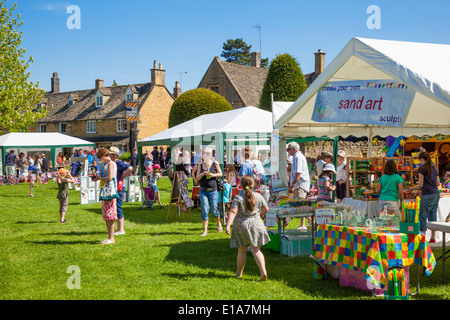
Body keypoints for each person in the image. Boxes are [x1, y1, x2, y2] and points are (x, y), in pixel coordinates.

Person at [225, 175, 270, 281]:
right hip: (256, 225)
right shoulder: (258, 196)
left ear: (241, 185)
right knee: (256, 250)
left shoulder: (238, 198)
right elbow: (266, 209)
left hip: (242, 225)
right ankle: (263, 272)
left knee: (242, 250)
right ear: (253, 185)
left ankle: (239, 273)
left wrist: (228, 225)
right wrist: (259, 214)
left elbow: (233, 211)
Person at [406, 151, 440, 243]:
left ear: (422, 159)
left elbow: (420, 184)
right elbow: (438, 183)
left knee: (423, 215)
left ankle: (423, 237)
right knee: (433, 215)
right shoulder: (434, 168)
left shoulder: (422, 169)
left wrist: (411, 189)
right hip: (436, 194)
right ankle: (433, 238)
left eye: (419, 160)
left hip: (427, 194)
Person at [195, 147, 223, 236]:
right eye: (205, 153)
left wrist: (212, 174)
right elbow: (197, 178)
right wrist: (202, 174)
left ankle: (218, 224)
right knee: (204, 210)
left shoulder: (215, 163)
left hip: (213, 191)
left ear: (211, 154)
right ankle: (205, 231)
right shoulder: (200, 164)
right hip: (203, 190)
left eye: (208, 153)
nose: (206, 155)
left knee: (214, 210)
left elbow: (221, 174)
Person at [93, 147, 118, 245]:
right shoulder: (107, 164)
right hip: (107, 190)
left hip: (110, 192)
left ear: (103, 156)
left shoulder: (111, 164)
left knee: (110, 215)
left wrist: (100, 177)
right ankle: (109, 237)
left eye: (100, 158)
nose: (100, 160)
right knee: (107, 215)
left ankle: (111, 238)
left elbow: (110, 177)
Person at [108, 146, 133, 236]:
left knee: (118, 206)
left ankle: (121, 229)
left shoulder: (118, 162)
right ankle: (119, 228)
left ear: (115, 155)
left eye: (110, 154)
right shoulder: (113, 163)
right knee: (116, 206)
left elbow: (130, 168)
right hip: (116, 187)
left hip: (119, 187)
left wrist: (122, 177)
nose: (109, 156)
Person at [286, 142, 310, 229]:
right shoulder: (297, 157)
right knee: (300, 204)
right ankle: (309, 221)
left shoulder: (298, 157)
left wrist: (292, 185)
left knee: (301, 204)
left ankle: (303, 224)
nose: (287, 151)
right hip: (300, 184)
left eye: (288, 149)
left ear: (294, 149)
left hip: (300, 184)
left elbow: (298, 173)